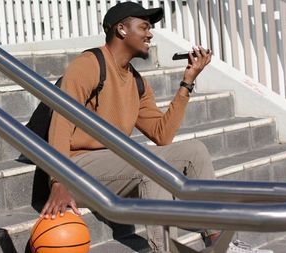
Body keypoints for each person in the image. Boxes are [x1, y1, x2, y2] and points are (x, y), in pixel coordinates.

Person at [39, 2, 272, 253]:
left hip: (110, 167)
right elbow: (60, 121)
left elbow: (163, 135)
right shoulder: (89, 64)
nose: (150, 34)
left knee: (195, 150)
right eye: (144, 27)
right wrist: (58, 182)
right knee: (150, 167)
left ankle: (220, 244)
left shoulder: (137, 82)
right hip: (74, 168)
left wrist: (188, 81)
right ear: (121, 30)